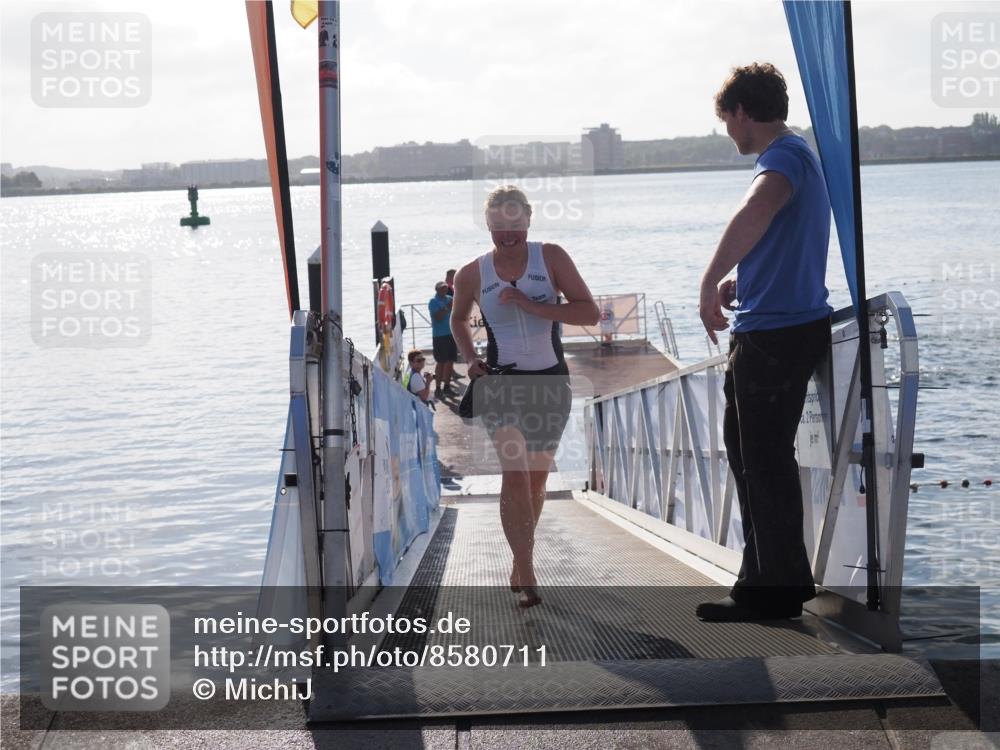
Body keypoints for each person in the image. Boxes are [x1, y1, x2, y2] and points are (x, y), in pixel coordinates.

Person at [696, 63, 833, 622]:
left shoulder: (782, 159)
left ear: (742, 113)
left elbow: (756, 209)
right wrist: (741, 279)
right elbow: (775, 232)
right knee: (755, 456)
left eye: (727, 120)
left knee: (763, 460)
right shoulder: (796, 158)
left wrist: (707, 281)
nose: (728, 131)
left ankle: (770, 591)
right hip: (777, 326)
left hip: (776, 334)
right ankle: (770, 582)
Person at [451, 185, 599, 607]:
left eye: (514, 225)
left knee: (536, 480)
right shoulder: (472, 273)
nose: (507, 233)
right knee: (514, 473)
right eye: (499, 226)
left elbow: (587, 311)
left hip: (551, 382)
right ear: (488, 225)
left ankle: (519, 561)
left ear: (528, 221)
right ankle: (527, 566)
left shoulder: (550, 257)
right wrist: (469, 358)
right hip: (500, 384)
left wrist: (533, 306)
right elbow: (458, 320)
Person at [428, 282, 458, 397]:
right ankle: (438, 388)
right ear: (437, 290)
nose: (445, 290)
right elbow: (438, 318)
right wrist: (447, 307)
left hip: (451, 334)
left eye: (446, 287)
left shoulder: (450, 298)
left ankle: (447, 387)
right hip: (439, 336)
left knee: (450, 361)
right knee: (441, 362)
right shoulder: (433, 302)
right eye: (442, 288)